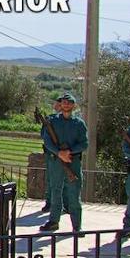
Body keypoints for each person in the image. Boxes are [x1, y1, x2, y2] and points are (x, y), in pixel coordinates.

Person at [39, 93, 88, 233]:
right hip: (56, 161)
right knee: (55, 191)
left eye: (69, 102)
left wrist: (69, 152)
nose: (66, 105)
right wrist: (59, 153)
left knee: (74, 194)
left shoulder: (79, 124)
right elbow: (47, 141)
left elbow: (84, 143)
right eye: (64, 102)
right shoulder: (52, 121)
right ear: (60, 105)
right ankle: (53, 221)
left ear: (73, 105)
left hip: (73, 162)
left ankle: (77, 227)